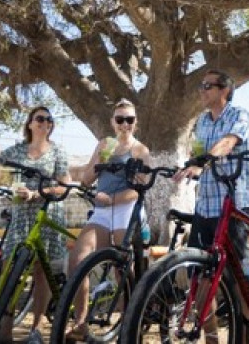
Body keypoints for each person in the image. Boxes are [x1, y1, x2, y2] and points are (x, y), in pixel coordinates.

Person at [0, 106, 71, 344]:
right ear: (30, 124)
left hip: (47, 213)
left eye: (49, 120)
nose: (45, 123)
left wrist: (38, 193)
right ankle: (5, 330)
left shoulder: (58, 151)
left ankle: (37, 330)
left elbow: (65, 187)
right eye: (40, 119)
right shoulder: (18, 150)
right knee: (11, 271)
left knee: (43, 273)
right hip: (20, 217)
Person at [63, 99, 153, 340]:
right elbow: (85, 180)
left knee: (121, 268)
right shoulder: (104, 144)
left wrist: (113, 199)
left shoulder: (140, 150)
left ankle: (128, 322)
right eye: (120, 119)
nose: (125, 124)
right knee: (78, 259)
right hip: (102, 209)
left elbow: (142, 188)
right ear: (113, 123)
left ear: (136, 123)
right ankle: (81, 322)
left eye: (129, 120)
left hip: (126, 208)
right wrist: (100, 159)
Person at [173, 69, 249, 339]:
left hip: (233, 205)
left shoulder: (239, 115)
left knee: (236, 277)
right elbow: (198, 158)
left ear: (224, 91)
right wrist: (189, 169)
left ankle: (243, 334)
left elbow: (228, 142)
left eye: (208, 86)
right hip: (205, 207)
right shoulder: (201, 122)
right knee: (201, 278)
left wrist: (205, 158)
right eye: (201, 85)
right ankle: (211, 338)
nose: (202, 90)